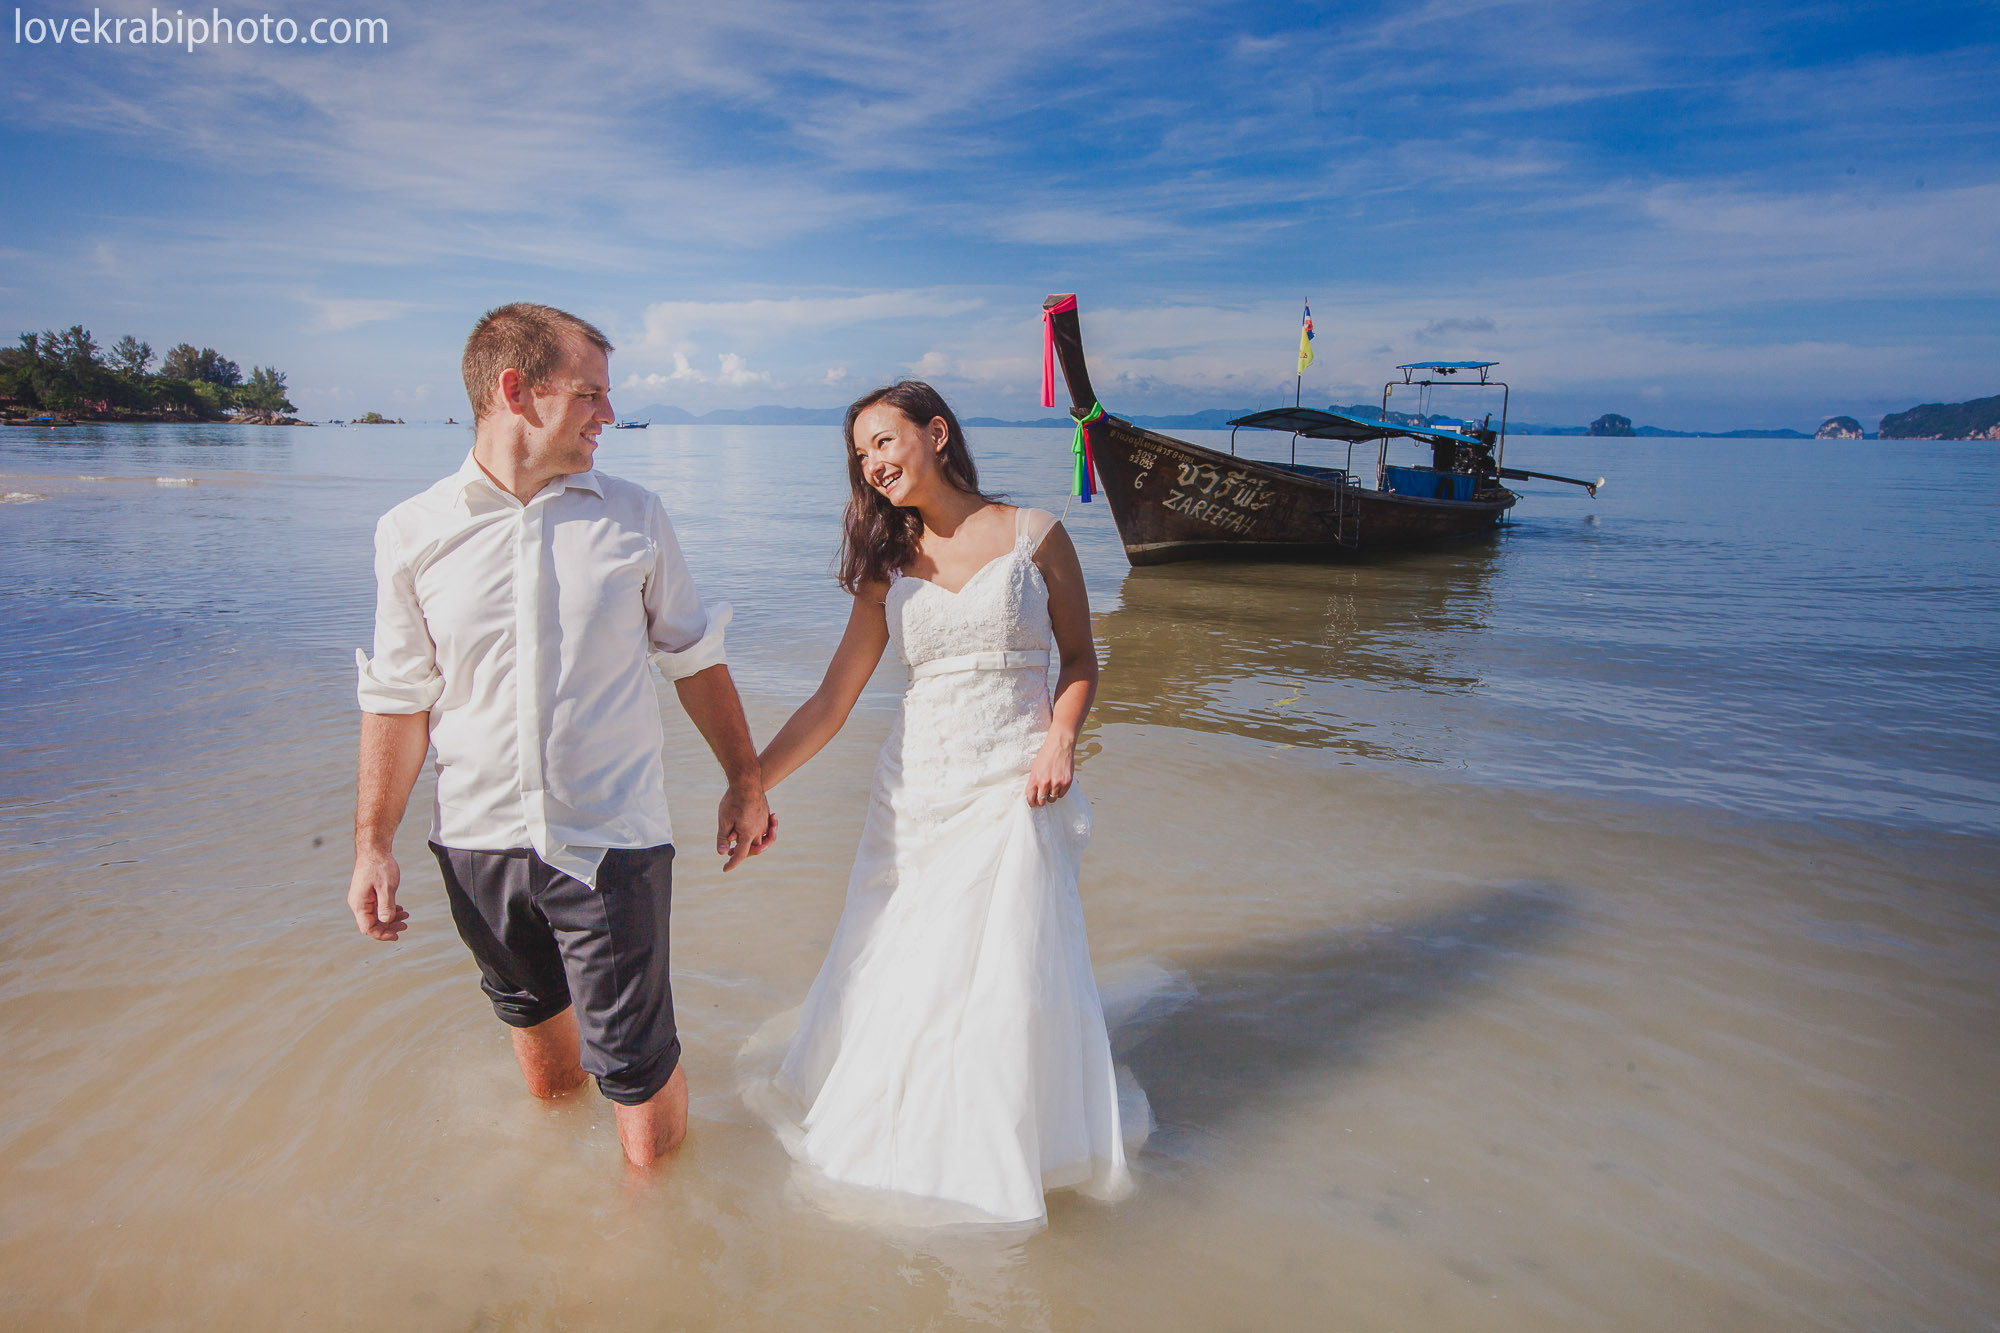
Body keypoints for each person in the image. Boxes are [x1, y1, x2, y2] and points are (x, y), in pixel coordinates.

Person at [346, 302, 774, 1169]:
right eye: (589, 395)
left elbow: (695, 658)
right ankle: (565, 1210)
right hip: (476, 842)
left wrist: (745, 779)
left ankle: (651, 1253)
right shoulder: (411, 532)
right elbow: (398, 698)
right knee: (547, 1077)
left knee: (637, 1081)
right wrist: (372, 844)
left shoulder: (634, 515)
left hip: (608, 841)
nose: (606, 416)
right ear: (517, 391)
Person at [750, 380, 1132, 1226]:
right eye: (860, 455)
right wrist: (750, 781)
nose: (873, 465)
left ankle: (1001, 1142)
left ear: (937, 432)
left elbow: (1079, 660)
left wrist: (1061, 738)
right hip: (917, 785)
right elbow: (831, 700)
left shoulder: (1035, 535)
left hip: (1012, 778)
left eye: (884, 443)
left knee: (1001, 970)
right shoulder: (890, 567)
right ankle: (906, 1130)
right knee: (904, 960)